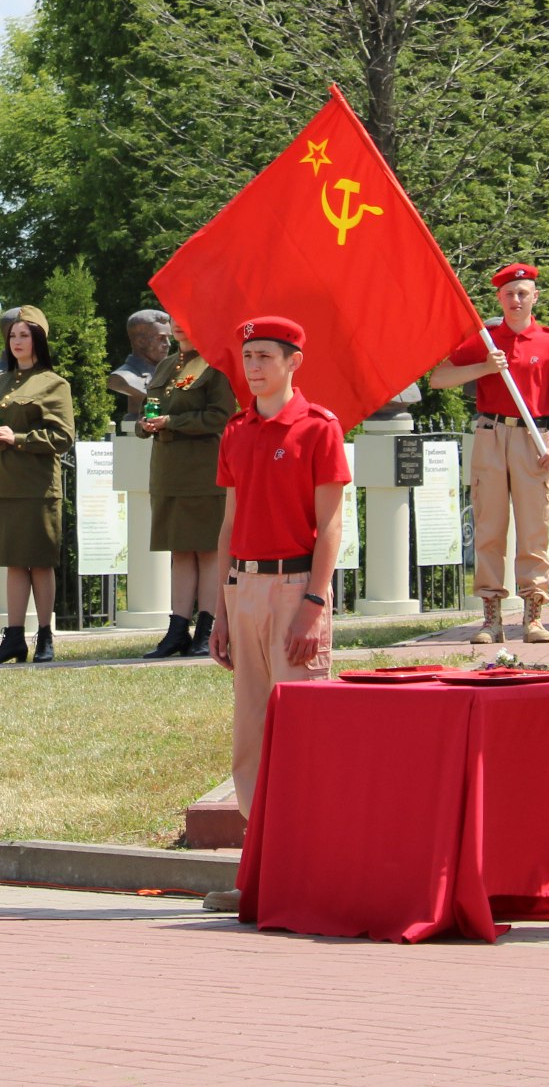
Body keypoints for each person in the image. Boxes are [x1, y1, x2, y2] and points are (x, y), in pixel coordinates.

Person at [201, 315, 347, 910]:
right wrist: (220, 610)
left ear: (294, 362)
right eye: (247, 354)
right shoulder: (235, 429)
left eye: (265, 355)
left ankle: (314, 870)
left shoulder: (318, 428)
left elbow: (332, 524)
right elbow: (229, 524)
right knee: (252, 735)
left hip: (295, 588)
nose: (253, 365)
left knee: (305, 732)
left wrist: (314, 603)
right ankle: (258, 873)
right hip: (245, 588)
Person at [428, 262, 549, 646]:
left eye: (523, 293)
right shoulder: (486, 338)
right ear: (499, 297)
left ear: (535, 296)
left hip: (534, 435)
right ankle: (491, 619)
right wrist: (484, 366)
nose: (516, 300)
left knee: (535, 529)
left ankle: (533, 617)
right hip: (491, 435)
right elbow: (438, 378)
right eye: (509, 294)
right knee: (489, 528)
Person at [0, 304, 75, 665]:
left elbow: (63, 437)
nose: (17, 341)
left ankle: (45, 636)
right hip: (2, 483)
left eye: (24, 335)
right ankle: (14, 637)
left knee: (39, 562)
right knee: (13, 562)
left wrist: (16, 437)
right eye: (12, 335)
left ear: (39, 339)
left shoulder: (54, 384)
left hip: (36, 485)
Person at [137, 315, 237, 659]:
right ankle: (177, 629)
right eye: (176, 320)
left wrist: (173, 422)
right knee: (179, 551)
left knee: (207, 551)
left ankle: (207, 627)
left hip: (203, 471)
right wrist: (146, 424)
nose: (180, 324)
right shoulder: (166, 365)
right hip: (167, 472)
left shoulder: (215, 366)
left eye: (188, 318)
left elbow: (220, 416)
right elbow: (150, 409)